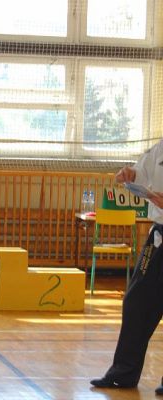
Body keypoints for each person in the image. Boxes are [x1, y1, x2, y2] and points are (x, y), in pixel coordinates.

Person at [90, 139, 163, 395]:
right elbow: (141, 172)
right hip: (159, 236)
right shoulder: (160, 148)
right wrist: (130, 174)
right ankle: (123, 373)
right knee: (136, 301)